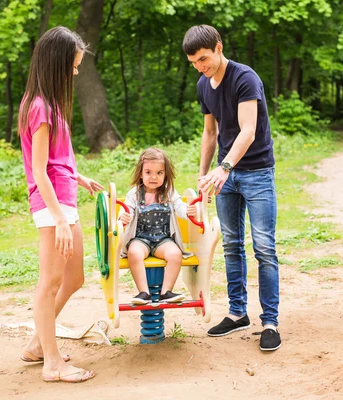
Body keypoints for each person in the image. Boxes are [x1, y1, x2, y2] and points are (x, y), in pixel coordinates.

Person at [183, 25, 281, 351]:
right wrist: (204, 175)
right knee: (231, 245)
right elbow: (210, 133)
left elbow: (248, 130)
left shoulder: (244, 78)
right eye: (194, 62)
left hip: (255, 173)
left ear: (219, 47)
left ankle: (270, 321)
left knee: (264, 247)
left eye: (204, 59)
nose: (200, 66)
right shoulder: (202, 84)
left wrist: (224, 168)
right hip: (226, 176)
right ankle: (238, 313)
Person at [17, 26, 102, 383]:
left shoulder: (51, 104)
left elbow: (56, 159)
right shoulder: (39, 107)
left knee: (74, 278)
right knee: (50, 282)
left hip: (64, 198)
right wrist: (60, 220)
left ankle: (38, 344)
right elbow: (38, 170)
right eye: (73, 65)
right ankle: (51, 363)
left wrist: (78, 177)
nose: (76, 71)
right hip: (52, 206)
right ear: (57, 63)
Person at [118, 148, 197, 305]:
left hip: (163, 239)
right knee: (134, 252)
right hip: (140, 239)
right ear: (140, 173)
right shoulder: (134, 194)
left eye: (159, 173)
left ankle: (166, 292)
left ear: (165, 175)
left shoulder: (169, 193)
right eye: (148, 172)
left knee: (175, 254)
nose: (154, 177)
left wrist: (188, 212)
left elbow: (180, 208)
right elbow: (127, 209)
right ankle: (143, 292)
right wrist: (123, 217)